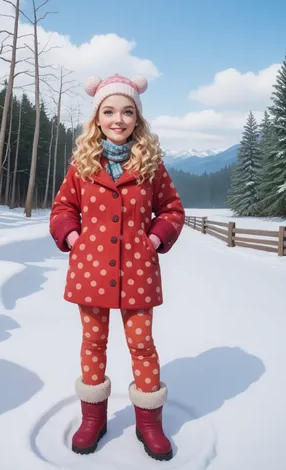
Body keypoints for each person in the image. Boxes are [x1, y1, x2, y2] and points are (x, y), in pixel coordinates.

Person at [49, 73, 185, 461]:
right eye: (109, 111)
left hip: (138, 274)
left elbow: (173, 209)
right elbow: (63, 209)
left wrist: (155, 238)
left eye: (127, 112)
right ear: (97, 118)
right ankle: (93, 419)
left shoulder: (151, 166)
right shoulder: (82, 165)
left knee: (142, 345)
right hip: (90, 271)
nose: (118, 119)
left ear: (138, 119)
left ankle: (149, 424)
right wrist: (74, 238)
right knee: (93, 344)